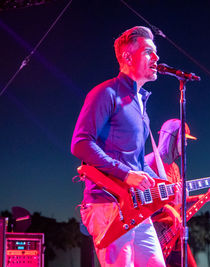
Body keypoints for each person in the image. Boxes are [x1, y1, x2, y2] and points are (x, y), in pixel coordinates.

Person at [71, 26, 167, 266]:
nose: (156, 58)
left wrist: (161, 182)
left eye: (155, 52)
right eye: (148, 52)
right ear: (127, 57)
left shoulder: (141, 105)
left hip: (136, 207)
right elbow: (80, 143)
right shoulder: (106, 93)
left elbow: (135, 162)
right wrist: (125, 174)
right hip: (106, 203)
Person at [145, 119, 210, 267]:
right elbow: (141, 203)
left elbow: (181, 202)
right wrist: (167, 209)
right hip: (154, 235)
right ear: (172, 138)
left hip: (174, 234)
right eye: (184, 140)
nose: (186, 145)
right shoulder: (149, 163)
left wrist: (205, 197)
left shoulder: (175, 168)